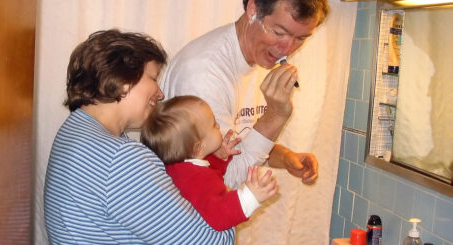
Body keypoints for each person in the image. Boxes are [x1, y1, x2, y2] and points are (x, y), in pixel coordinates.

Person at [43, 29, 234, 244]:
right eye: (153, 78)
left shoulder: (74, 131)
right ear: (123, 79)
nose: (160, 94)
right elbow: (211, 242)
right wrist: (225, 196)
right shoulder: (119, 158)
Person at [160, 0, 329, 190]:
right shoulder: (203, 75)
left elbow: (241, 143)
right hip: (189, 215)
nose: (287, 49)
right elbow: (226, 180)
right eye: (279, 32)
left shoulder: (259, 55)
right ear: (253, 11)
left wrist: (285, 157)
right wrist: (275, 116)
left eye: (301, 38)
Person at [140, 95, 278, 231]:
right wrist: (251, 196)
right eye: (213, 125)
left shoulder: (180, 169)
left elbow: (207, 171)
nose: (218, 125)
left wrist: (220, 158)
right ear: (199, 147)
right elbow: (219, 215)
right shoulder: (196, 179)